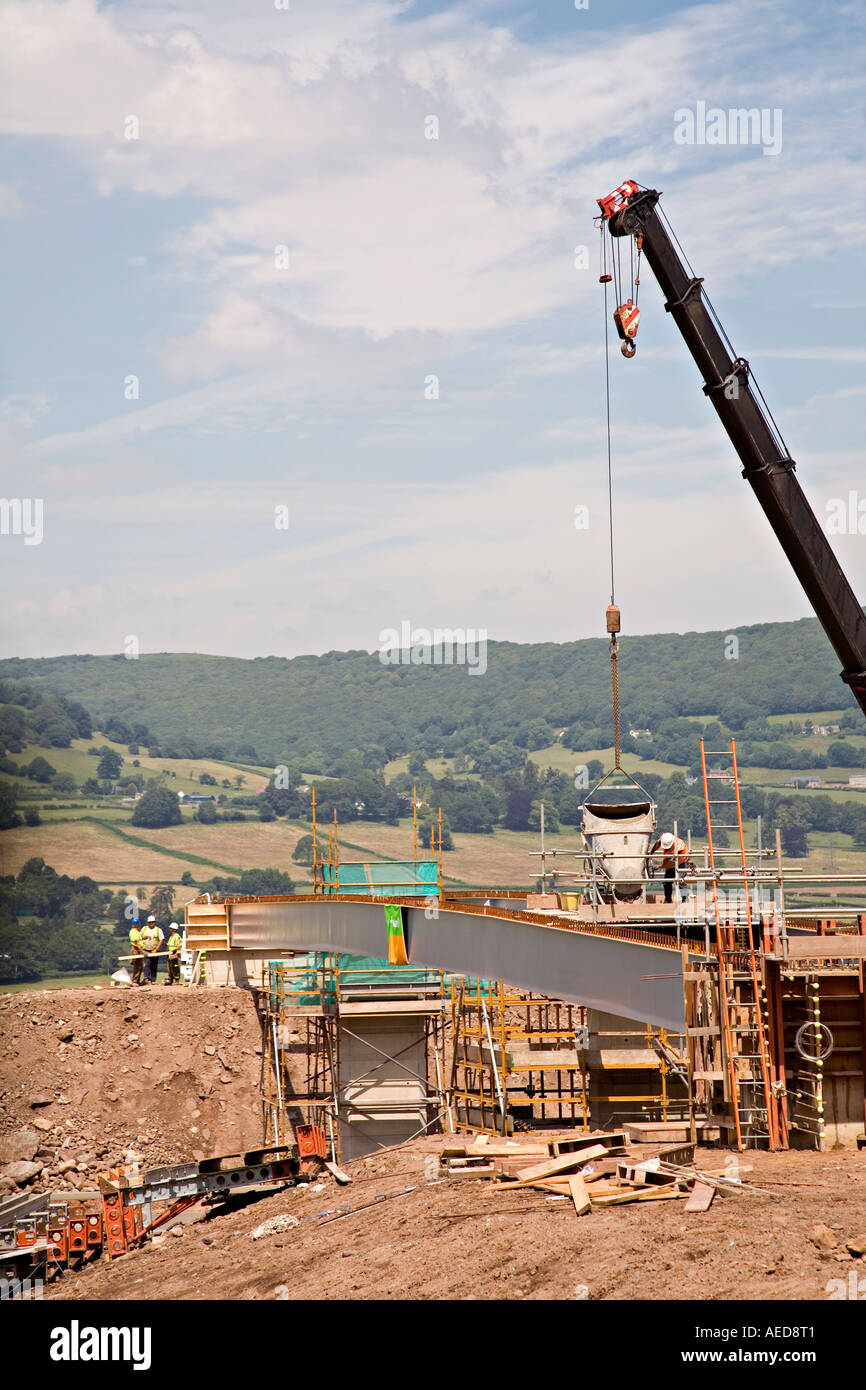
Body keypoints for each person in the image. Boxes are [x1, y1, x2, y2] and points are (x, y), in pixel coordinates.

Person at [650, 831, 692, 904]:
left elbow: (669, 864)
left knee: (680, 880)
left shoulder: (678, 848)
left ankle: (685, 898)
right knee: (667, 882)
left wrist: (658, 866)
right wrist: (651, 853)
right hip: (671, 859)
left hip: (681, 861)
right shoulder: (665, 837)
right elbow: (658, 843)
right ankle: (668, 899)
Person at [141, 915, 164, 984]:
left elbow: (161, 939)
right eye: (150, 922)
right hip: (146, 950)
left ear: (154, 922)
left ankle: (153, 980)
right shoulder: (144, 929)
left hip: (154, 950)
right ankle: (146, 978)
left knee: (154, 965)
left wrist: (156, 949)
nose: (151, 923)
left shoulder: (158, 930)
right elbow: (139, 937)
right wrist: (144, 937)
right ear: (148, 922)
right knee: (147, 964)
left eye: (152, 922)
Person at [128, 919, 145, 986]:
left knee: (140, 966)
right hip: (136, 950)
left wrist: (144, 937)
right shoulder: (134, 932)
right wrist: (142, 951)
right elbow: (137, 943)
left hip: (138, 950)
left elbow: (139, 939)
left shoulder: (136, 932)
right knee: (137, 966)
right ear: (138, 924)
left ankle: (137, 980)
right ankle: (135, 981)